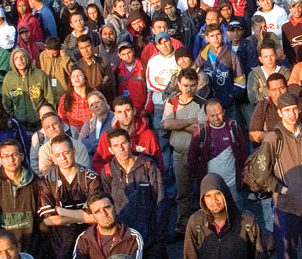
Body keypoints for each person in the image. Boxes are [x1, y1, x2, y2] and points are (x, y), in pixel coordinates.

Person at [248, 93, 302, 259]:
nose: (292, 114)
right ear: (280, 113)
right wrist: (280, 189)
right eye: (287, 110)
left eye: (294, 109)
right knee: (286, 254)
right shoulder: (273, 138)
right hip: (286, 207)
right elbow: (259, 172)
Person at [100, 128, 168, 259]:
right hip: (123, 238)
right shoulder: (108, 171)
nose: (121, 149)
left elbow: (161, 201)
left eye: (123, 143)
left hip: (151, 237)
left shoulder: (148, 166)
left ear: (130, 143)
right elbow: (108, 205)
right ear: (110, 150)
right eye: (115, 146)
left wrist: (159, 236)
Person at [37, 134, 103, 258]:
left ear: (74, 150)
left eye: (66, 152)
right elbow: (48, 219)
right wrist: (83, 216)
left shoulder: (91, 178)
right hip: (59, 246)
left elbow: (95, 217)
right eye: (57, 155)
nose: (62, 158)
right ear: (52, 157)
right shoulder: (46, 181)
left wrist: (61, 211)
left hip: (89, 241)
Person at [161, 68, 205, 242]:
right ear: (179, 84)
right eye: (185, 85)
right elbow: (166, 124)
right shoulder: (172, 101)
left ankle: (205, 227)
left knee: (203, 192)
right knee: (183, 194)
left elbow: (201, 128)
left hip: (200, 155)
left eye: (192, 85)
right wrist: (190, 122)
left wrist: (177, 124)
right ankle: (182, 227)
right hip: (179, 154)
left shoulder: (202, 103)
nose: (189, 89)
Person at [183, 173, 266, 259]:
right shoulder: (196, 222)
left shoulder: (248, 221)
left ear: (225, 194)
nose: (214, 200)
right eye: (208, 196)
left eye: (218, 194)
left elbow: (260, 255)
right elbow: (189, 255)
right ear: (203, 199)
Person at [0, 139, 41, 256]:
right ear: (0, 160)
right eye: (6, 156)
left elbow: (42, 220)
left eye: (14, 154)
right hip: (5, 252)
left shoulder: (36, 183)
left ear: (22, 156)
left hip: (34, 249)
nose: (11, 159)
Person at [187, 99, 248, 209]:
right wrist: (201, 178)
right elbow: (192, 159)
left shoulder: (233, 128)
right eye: (212, 115)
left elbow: (243, 154)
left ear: (224, 112)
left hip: (232, 184)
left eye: (219, 114)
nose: (216, 118)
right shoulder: (201, 132)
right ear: (206, 116)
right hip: (211, 186)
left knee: (237, 213)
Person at [73, 192, 144, 259]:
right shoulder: (84, 239)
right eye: (97, 212)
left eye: (107, 208)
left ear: (114, 207)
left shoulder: (133, 237)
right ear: (92, 216)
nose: (104, 214)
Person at [1, 48, 56, 132]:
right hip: (20, 127)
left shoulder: (39, 74)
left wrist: (47, 118)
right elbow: (7, 103)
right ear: (13, 62)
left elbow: (50, 99)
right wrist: (17, 115)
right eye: (16, 58)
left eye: (23, 56)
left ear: (28, 58)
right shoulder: (9, 78)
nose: (20, 60)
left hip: (41, 125)